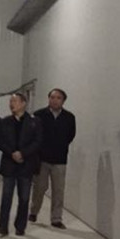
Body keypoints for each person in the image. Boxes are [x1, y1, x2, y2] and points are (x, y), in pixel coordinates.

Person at [0, 93, 42, 237]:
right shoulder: (5, 122)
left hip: (26, 165)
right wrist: (12, 153)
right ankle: (2, 226)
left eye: (14, 101)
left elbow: (37, 141)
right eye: (10, 101)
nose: (11, 104)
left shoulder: (34, 122)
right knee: (6, 197)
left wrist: (23, 153)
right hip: (9, 164)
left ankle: (20, 226)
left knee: (24, 198)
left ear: (23, 103)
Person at [29, 88, 76, 229]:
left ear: (63, 101)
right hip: (42, 159)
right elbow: (33, 134)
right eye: (52, 97)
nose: (55, 100)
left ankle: (56, 218)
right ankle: (33, 211)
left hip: (60, 159)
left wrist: (60, 145)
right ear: (48, 99)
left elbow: (70, 135)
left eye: (58, 98)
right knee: (39, 188)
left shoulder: (69, 117)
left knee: (58, 190)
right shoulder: (39, 115)